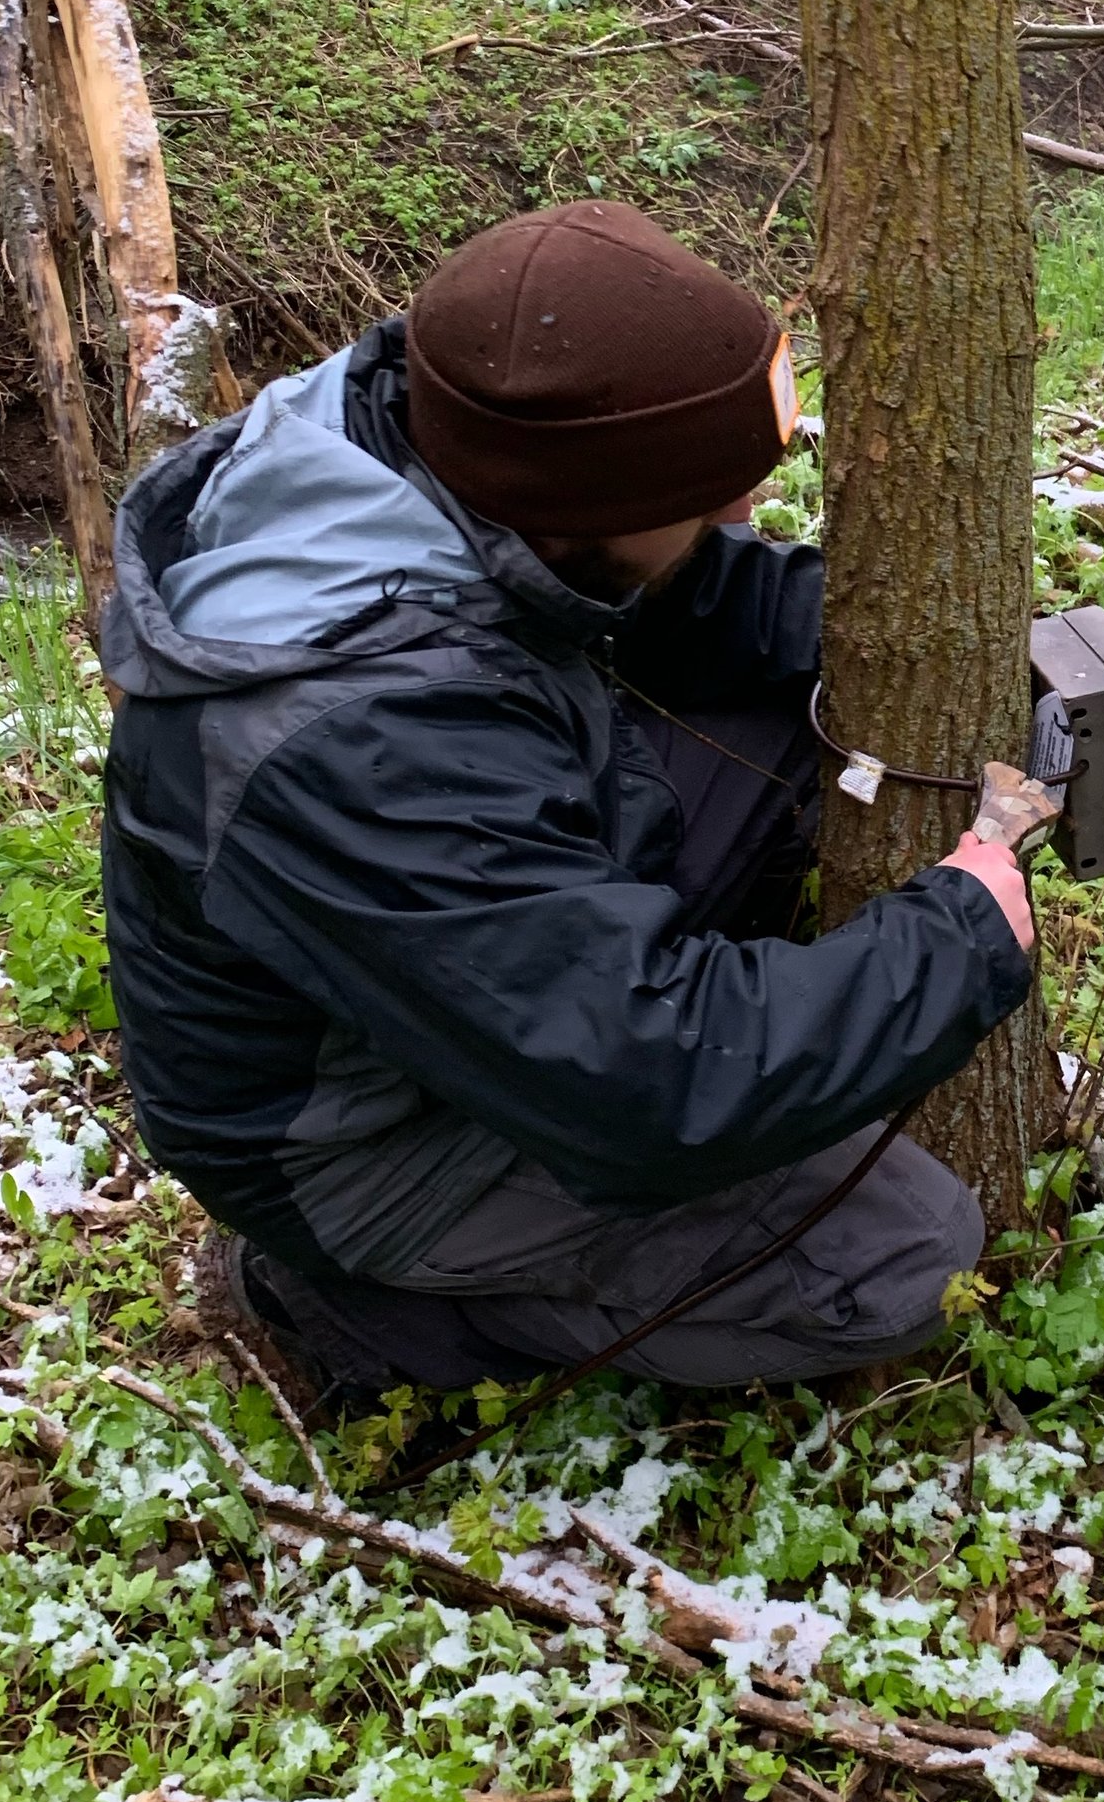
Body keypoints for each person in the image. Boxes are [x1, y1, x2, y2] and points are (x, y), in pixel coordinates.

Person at [98, 199, 1037, 1418]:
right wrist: (958, 934)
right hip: (354, 1143)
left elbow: (678, 596)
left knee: (791, 731)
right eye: (710, 497)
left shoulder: (439, 434)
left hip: (441, 955)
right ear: (588, 502)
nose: (738, 516)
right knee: (901, 1256)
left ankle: (724, 1018)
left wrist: (903, 655)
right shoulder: (362, 741)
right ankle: (354, 1307)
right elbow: (657, 1081)